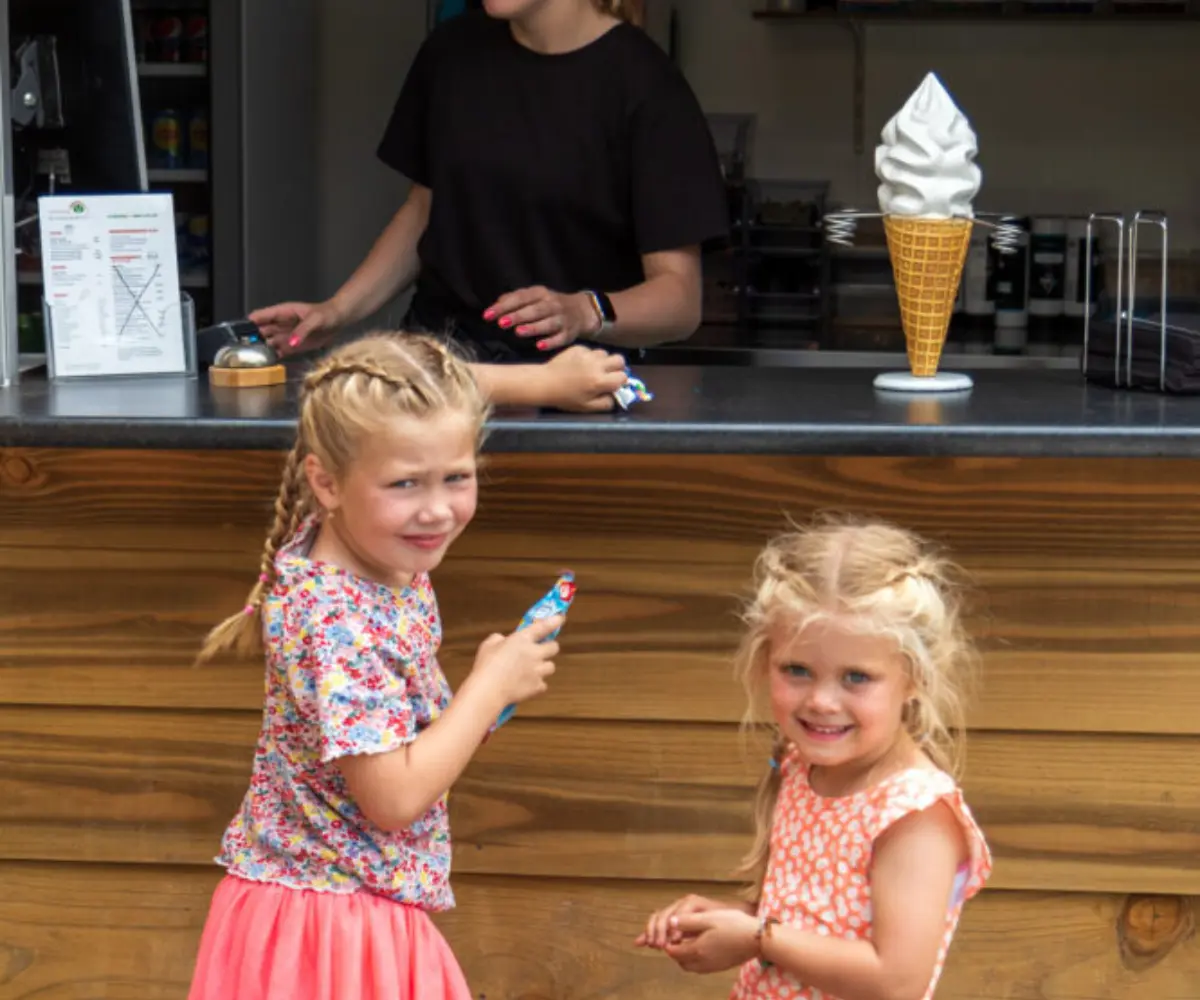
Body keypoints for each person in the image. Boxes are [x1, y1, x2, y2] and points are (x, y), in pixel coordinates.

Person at [186, 332, 563, 1000]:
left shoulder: (385, 563)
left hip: (331, 912)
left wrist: (480, 701)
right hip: (329, 932)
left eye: (458, 477)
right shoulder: (340, 621)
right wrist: (486, 689)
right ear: (325, 482)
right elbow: (392, 798)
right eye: (404, 484)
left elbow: (393, 742)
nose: (437, 509)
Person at [250, 0, 729, 411]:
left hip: (574, 383)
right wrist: (337, 311)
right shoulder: (451, 53)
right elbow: (426, 211)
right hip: (439, 374)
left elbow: (678, 301)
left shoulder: (648, 88)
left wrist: (586, 311)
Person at [636, 516, 993, 1000]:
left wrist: (759, 938)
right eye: (798, 670)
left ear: (915, 677)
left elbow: (896, 981)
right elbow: (816, 922)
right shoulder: (804, 767)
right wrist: (729, 921)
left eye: (857, 677)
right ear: (766, 660)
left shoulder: (914, 815)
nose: (823, 701)